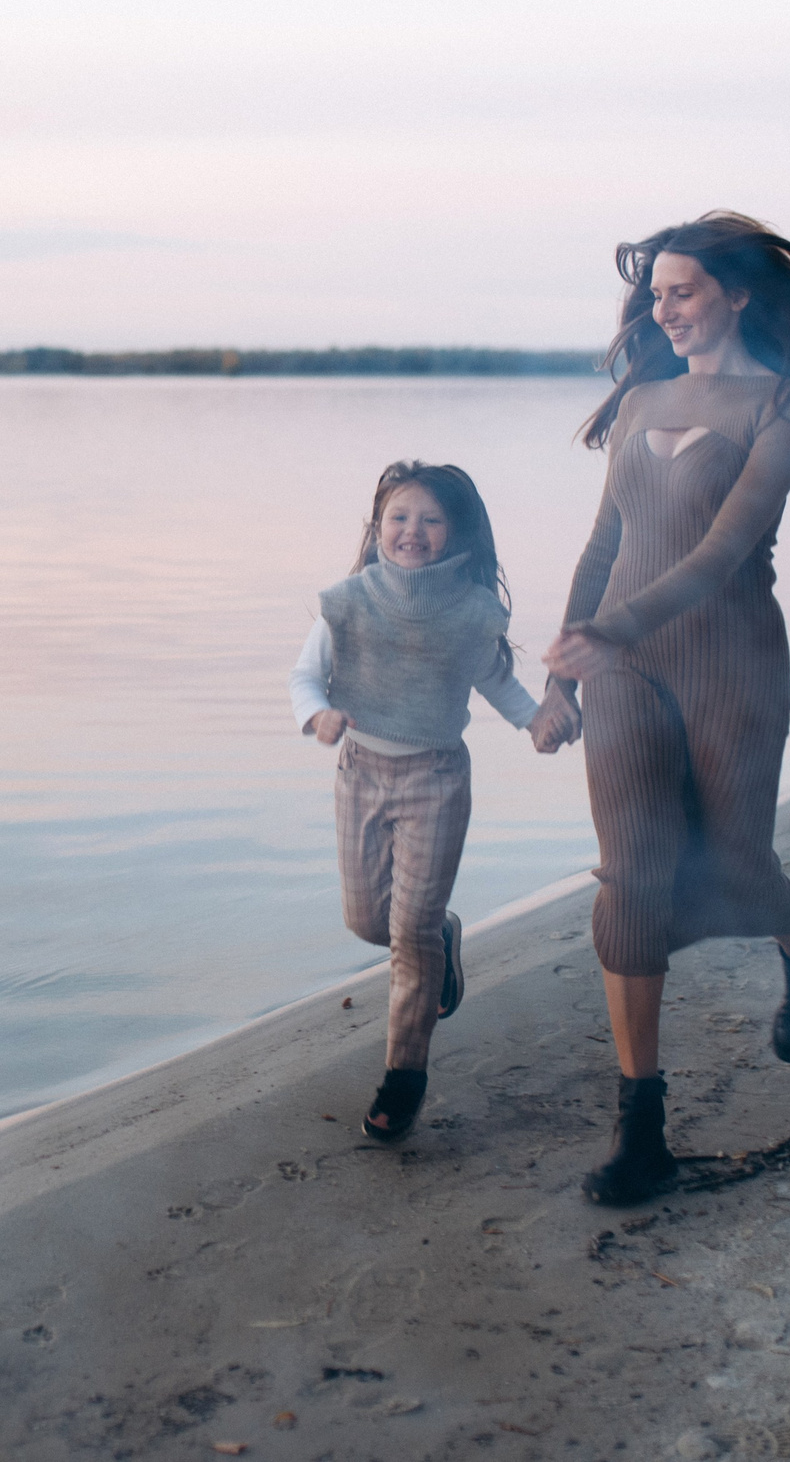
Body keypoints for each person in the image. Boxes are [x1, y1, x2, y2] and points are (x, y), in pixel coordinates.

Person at [531, 211, 790, 1207]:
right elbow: (604, 543)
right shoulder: (642, 398)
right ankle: (641, 1126)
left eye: (683, 292)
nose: (662, 309)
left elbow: (719, 552)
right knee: (630, 877)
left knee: (737, 865)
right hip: (624, 665)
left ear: (737, 295)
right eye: (656, 294)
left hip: (732, 662)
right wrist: (564, 673)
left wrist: (611, 629)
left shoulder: (785, 402)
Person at [291, 461, 548, 1141]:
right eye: (399, 517)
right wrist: (317, 715)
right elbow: (304, 677)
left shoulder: (469, 610)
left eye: (430, 519)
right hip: (359, 771)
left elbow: (496, 680)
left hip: (435, 778)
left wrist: (535, 721)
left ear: (455, 531)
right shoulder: (349, 601)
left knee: (409, 935)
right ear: (377, 527)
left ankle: (403, 1077)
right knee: (367, 920)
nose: (413, 531)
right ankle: (442, 938)